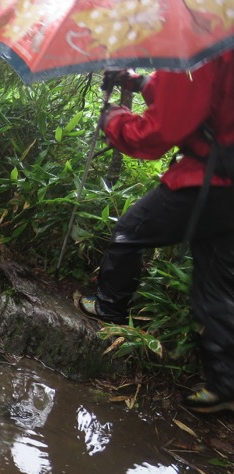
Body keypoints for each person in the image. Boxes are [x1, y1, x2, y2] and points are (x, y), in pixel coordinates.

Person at [78, 51, 234, 413]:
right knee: (216, 285)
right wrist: (136, 81)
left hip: (207, 182)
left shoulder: (202, 47)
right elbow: (202, 100)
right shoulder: (221, 36)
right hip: (228, 185)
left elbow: (157, 133)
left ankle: (108, 308)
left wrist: (114, 119)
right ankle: (225, 385)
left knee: (130, 231)